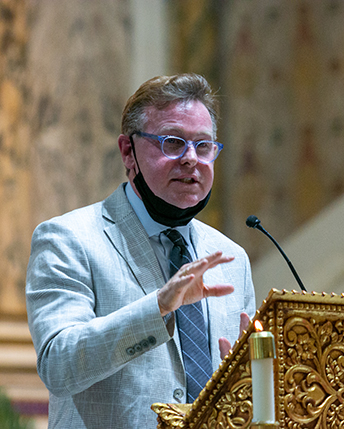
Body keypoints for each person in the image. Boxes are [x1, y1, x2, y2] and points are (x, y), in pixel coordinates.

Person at [26, 73, 256, 428]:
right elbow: (59, 366)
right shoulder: (68, 239)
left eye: (204, 145)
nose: (191, 159)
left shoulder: (231, 258)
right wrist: (158, 306)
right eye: (172, 142)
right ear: (127, 152)